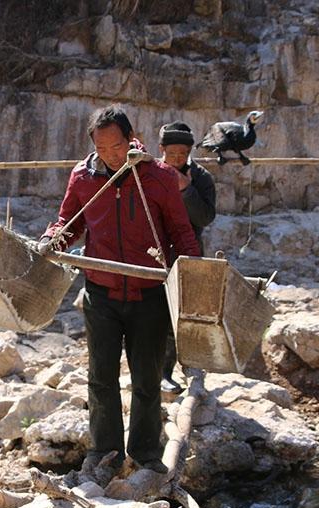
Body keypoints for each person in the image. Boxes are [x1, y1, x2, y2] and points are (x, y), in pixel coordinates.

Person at [37, 105, 200, 481]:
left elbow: (180, 231)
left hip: (149, 293)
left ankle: (145, 454)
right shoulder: (83, 176)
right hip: (101, 291)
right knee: (101, 378)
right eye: (102, 147)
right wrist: (52, 238)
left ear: (131, 138)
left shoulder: (157, 177)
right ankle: (104, 453)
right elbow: (69, 222)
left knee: (146, 378)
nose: (110, 155)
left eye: (117, 146)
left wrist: (193, 272)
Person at [157, 121, 217, 394]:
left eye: (183, 154)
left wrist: (186, 190)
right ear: (162, 150)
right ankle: (156, 371)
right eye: (172, 154)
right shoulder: (150, 173)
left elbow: (205, 217)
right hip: (151, 254)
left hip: (186, 254)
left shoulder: (201, 178)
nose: (178, 159)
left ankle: (179, 368)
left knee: (178, 315)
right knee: (152, 316)